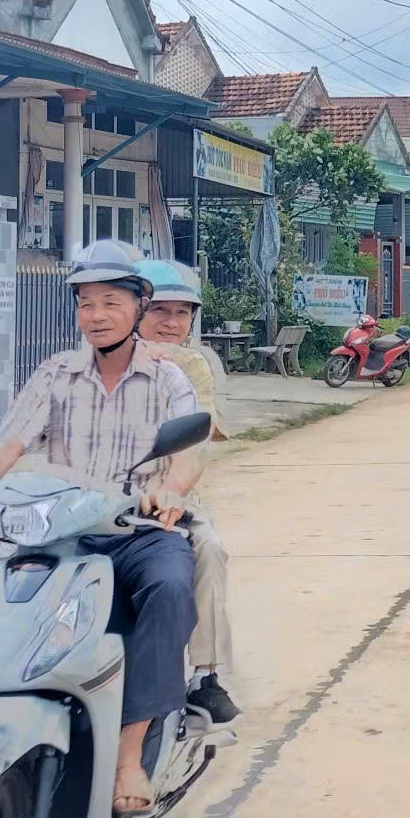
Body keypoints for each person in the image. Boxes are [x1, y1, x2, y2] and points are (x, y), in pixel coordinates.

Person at [0, 242, 202, 818]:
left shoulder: (166, 376)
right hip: (63, 531)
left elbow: (188, 452)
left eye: (111, 302)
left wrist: (172, 489)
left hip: (136, 529)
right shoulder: (56, 373)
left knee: (171, 586)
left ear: (138, 306)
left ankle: (129, 755)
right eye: (86, 303)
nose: (97, 315)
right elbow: (5, 445)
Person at [137, 258, 239, 725]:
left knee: (208, 550)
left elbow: (201, 435)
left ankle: (205, 674)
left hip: (172, 498)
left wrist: (172, 490)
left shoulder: (193, 365)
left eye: (182, 313)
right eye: (160, 310)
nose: (171, 323)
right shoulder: (94, 361)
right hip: (100, 498)